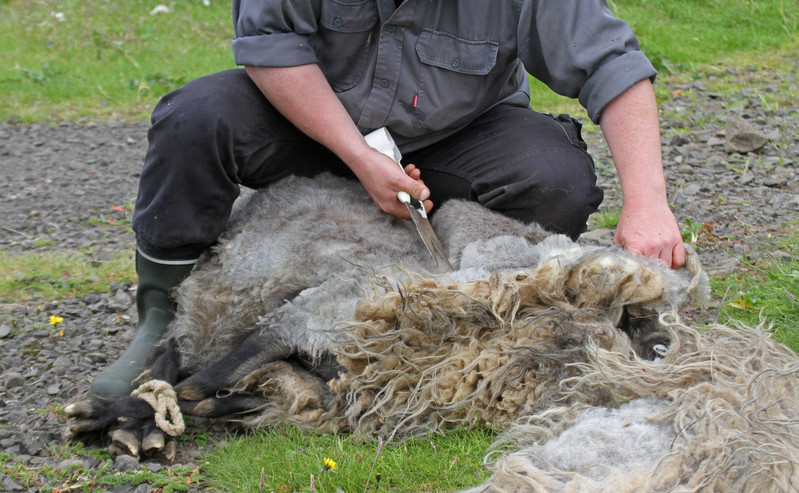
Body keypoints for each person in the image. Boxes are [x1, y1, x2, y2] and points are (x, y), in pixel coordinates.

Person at [89, 0, 685, 397]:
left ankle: (443, 312)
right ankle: (166, 323)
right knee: (195, 118)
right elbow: (273, 44)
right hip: (310, 119)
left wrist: (648, 202)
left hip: (457, 135)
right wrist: (359, 157)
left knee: (554, 179)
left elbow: (611, 62)